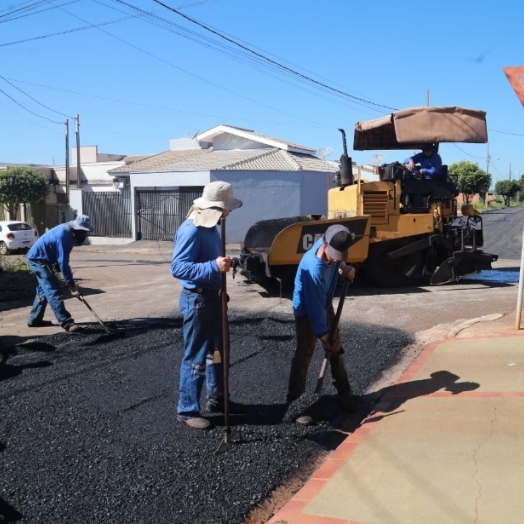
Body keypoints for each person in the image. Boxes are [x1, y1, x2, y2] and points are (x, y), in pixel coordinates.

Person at [171, 181, 244, 430]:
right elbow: (178, 267)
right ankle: (187, 409)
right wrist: (213, 266)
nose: (230, 212)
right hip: (198, 300)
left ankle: (217, 399)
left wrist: (222, 270)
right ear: (215, 207)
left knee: (218, 352)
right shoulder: (192, 230)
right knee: (196, 355)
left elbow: (212, 260)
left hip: (213, 296)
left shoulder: (211, 227)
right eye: (227, 208)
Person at [286, 224, 358, 425]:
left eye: (339, 256)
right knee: (305, 352)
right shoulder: (314, 268)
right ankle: (295, 401)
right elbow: (315, 311)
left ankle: (344, 392)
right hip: (306, 309)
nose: (335, 259)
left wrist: (345, 268)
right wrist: (325, 336)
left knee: (337, 351)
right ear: (324, 244)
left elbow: (338, 264)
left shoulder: (331, 242)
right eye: (333, 256)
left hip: (323, 304)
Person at [26, 214, 94, 332]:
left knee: (44, 290)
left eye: (86, 232)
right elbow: (63, 263)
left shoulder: (69, 233)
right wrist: (71, 285)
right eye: (83, 232)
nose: (84, 235)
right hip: (38, 260)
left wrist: (58, 265)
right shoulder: (64, 235)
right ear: (76, 229)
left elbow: (58, 255)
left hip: (44, 259)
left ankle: (34, 319)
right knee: (53, 290)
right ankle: (66, 322)